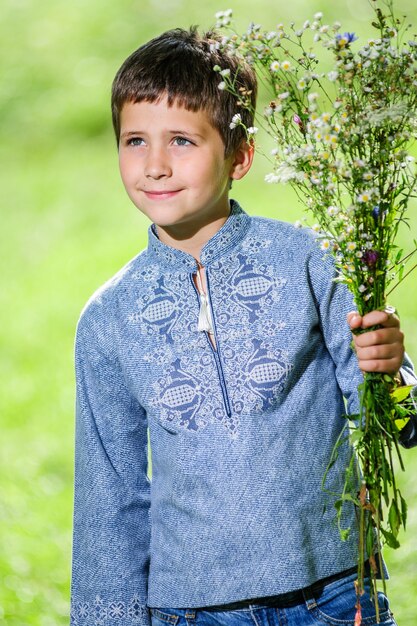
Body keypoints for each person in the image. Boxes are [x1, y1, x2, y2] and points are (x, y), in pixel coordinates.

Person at [70, 27, 417, 626]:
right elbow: (110, 501)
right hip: (194, 613)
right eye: (134, 141)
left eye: (181, 140)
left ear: (240, 154)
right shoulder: (108, 317)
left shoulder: (310, 259)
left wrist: (392, 371)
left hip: (334, 597)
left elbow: (390, 422)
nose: (154, 165)